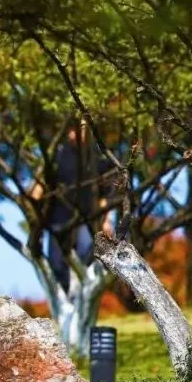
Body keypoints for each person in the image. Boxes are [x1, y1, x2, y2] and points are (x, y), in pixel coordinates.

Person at [30, 119, 114, 292]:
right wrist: (35, 204)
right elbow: (42, 182)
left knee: (86, 256)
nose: (79, 133)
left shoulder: (96, 157)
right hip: (58, 218)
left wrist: (107, 220)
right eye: (76, 128)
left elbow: (104, 193)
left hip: (86, 218)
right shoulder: (57, 154)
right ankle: (65, 300)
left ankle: (83, 297)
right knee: (57, 264)